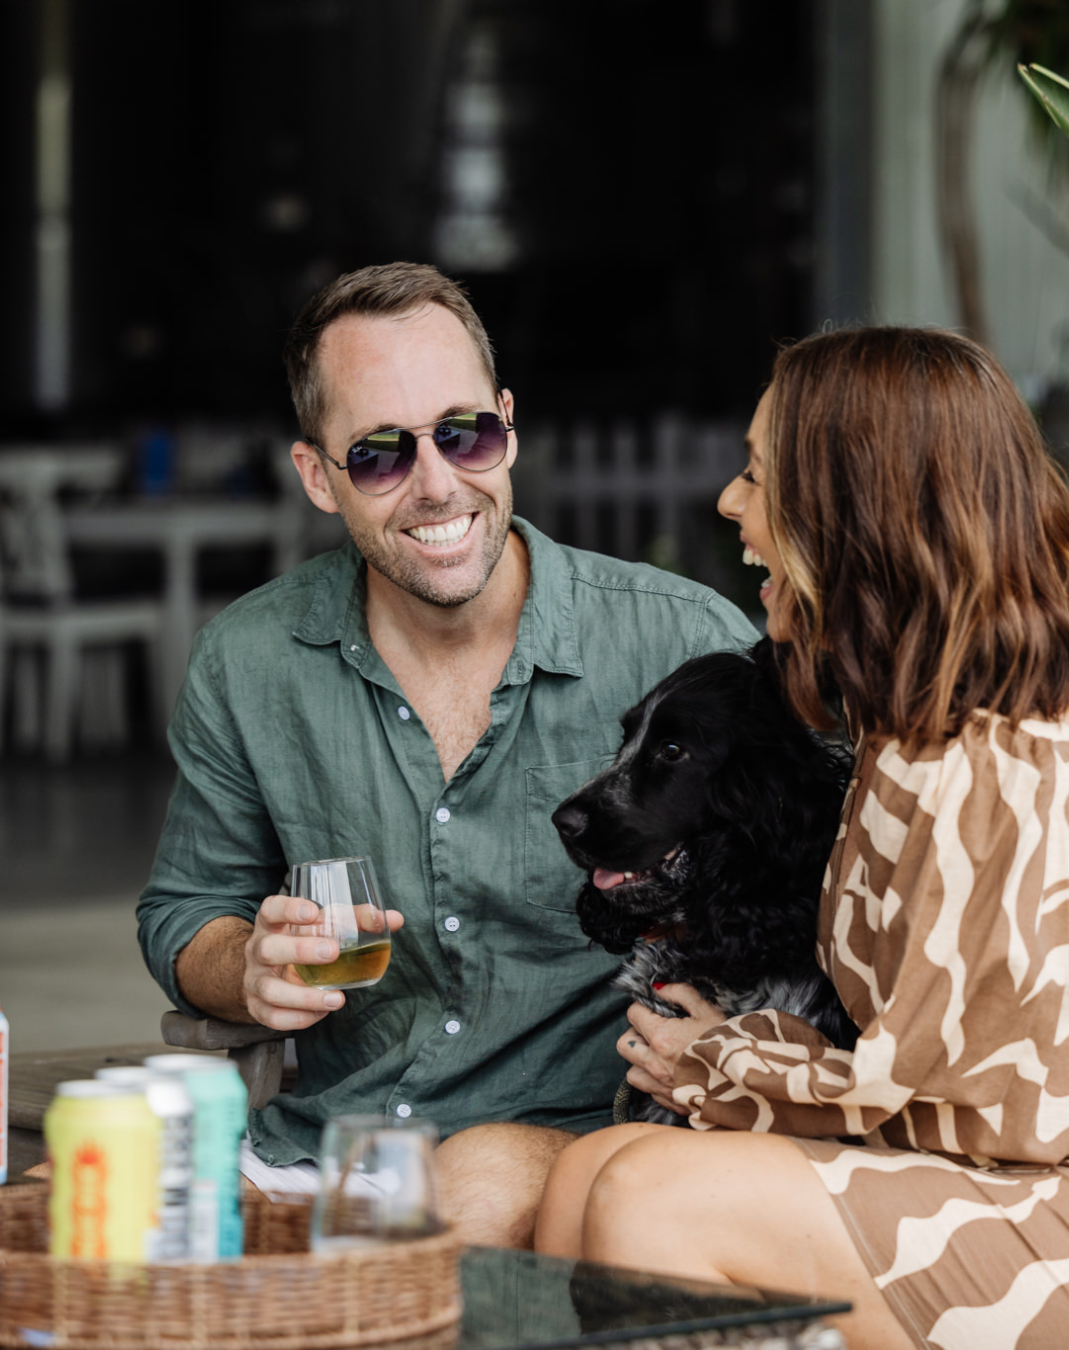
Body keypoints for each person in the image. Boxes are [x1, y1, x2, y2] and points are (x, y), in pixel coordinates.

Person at [136, 261, 757, 1246]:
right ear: (318, 477)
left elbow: (814, 895)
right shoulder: (248, 660)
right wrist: (244, 966)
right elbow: (185, 910)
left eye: (464, 434)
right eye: (380, 454)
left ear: (509, 426)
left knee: (465, 1195)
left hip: (589, 1148)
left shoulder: (681, 644)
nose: (437, 484)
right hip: (332, 1152)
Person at [533, 326, 1069, 1349]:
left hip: (1046, 1199)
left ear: (854, 514)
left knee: (652, 1197)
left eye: (756, 474)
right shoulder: (904, 733)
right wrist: (736, 1056)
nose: (727, 502)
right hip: (973, 1163)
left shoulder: (999, 761)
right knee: (587, 1172)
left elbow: (971, 1103)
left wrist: (723, 1063)